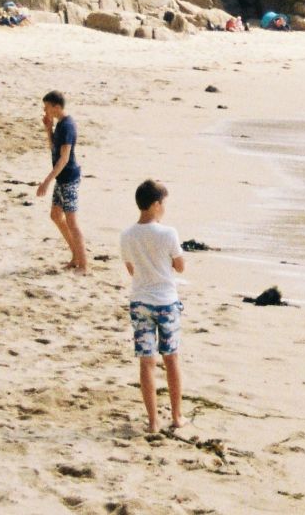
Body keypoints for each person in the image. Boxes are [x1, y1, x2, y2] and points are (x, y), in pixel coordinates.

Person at [121, 179, 187, 433]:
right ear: (156, 204)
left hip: (140, 301)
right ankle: (177, 416)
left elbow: (130, 269)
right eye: (163, 203)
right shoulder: (168, 233)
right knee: (171, 359)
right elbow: (180, 266)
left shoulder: (127, 235)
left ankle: (152, 421)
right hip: (166, 302)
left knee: (146, 362)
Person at [36, 91, 87, 274]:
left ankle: (84, 265)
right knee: (56, 215)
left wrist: (46, 182)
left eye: (47, 107)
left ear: (56, 107)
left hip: (69, 178)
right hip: (62, 178)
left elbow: (64, 158)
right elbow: (54, 149)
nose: (44, 110)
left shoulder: (67, 126)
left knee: (72, 221)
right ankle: (75, 256)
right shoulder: (59, 125)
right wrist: (48, 129)